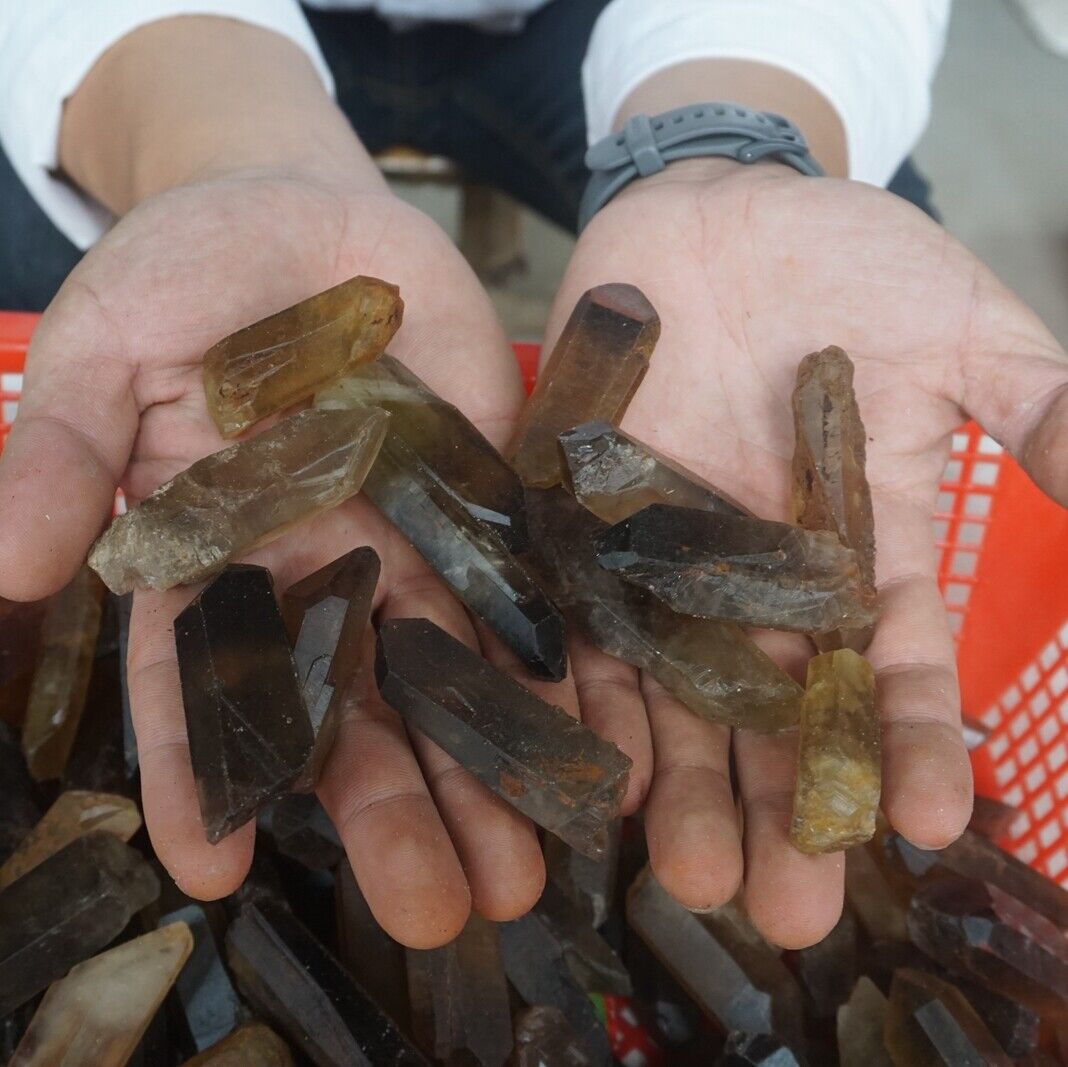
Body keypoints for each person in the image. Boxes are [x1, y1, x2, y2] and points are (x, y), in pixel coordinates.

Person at [0, 0, 1065, 953]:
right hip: (174, 53)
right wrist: (221, 147)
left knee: (870, 194)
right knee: (56, 280)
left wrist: (727, 145)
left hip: (617, 28)